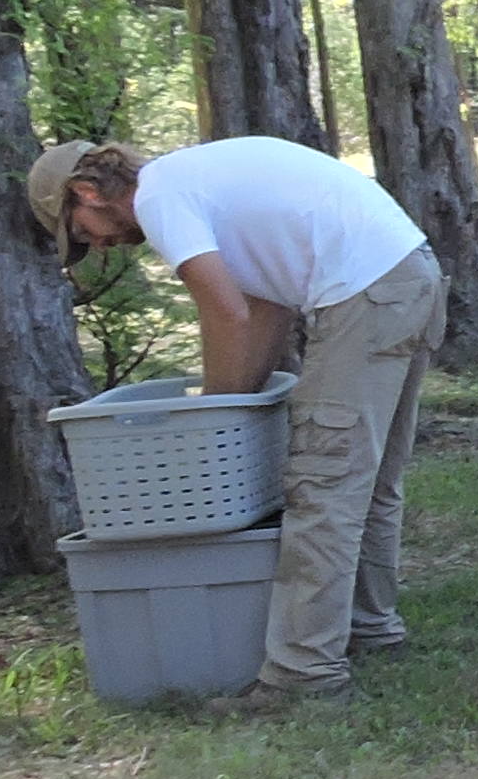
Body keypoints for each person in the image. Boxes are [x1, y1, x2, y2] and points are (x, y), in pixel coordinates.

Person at [26, 133, 445, 716]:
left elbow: (224, 312)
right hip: (406, 274)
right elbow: (265, 308)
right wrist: (240, 400)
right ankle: (370, 630)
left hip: (366, 294)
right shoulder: (198, 182)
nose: (101, 246)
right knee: (366, 482)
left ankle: (304, 675)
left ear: (87, 192)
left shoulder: (160, 197)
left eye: (83, 233)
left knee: (323, 486)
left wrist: (211, 413)